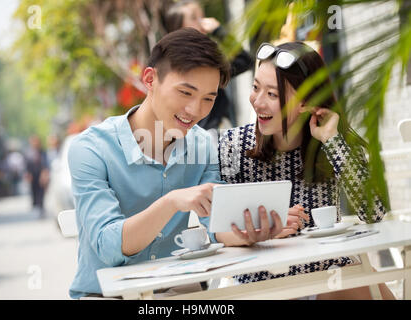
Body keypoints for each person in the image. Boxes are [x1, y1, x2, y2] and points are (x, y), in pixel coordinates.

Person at [67, 28, 282, 299]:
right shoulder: (91, 149)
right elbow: (109, 247)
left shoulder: (202, 145)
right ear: (150, 79)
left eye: (208, 99)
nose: (195, 110)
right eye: (185, 92)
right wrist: (171, 202)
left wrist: (250, 232)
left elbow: (217, 224)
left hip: (176, 293)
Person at [216, 41, 395, 299]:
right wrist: (263, 228)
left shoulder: (332, 142)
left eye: (273, 95)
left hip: (327, 277)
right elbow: (218, 230)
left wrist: (332, 140)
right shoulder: (233, 145)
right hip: (262, 283)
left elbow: (374, 213)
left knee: (358, 282)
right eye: (256, 88)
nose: (257, 102)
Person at [164, 0, 254, 130]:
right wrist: (218, 31)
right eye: (195, 18)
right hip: (210, 134)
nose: (203, 22)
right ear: (179, 28)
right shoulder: (197, 64)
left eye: (202, 16)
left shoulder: (174, 62)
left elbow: (245, 61)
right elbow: (245, 60)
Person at [25, 135, 49, 217]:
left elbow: (45, 164)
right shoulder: (29, 153)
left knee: (41, 192)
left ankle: (41, 207)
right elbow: (27, 165)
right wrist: (28, 174)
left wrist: (44, 173)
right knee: (34, 191)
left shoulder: (43, 152)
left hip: (41, 175)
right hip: (33, 175)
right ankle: (36, 206)